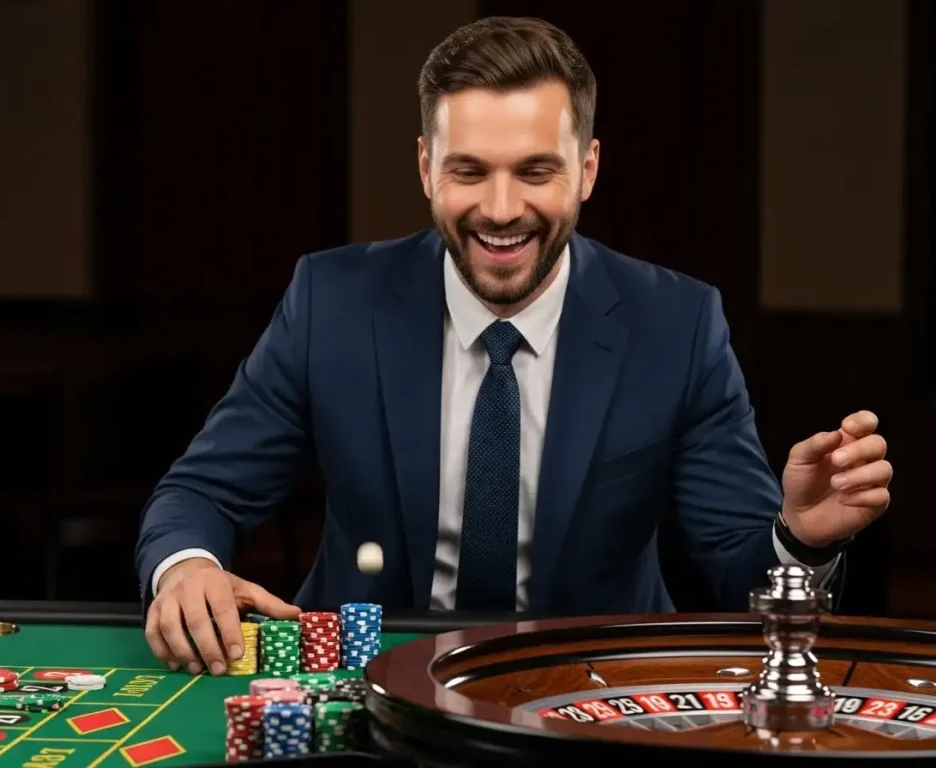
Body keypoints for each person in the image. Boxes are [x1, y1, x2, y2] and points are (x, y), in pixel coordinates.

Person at [134, 16, 892, 677]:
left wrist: (798, 539)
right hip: (364, 685)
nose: (501, 210)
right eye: (469, 171)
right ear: (427, 168)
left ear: (586, 171)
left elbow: (740, 571)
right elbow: (203, 492)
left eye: (535, 171)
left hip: (589, 692)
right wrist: (187, 568)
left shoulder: (678, 324)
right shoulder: (331, 302)